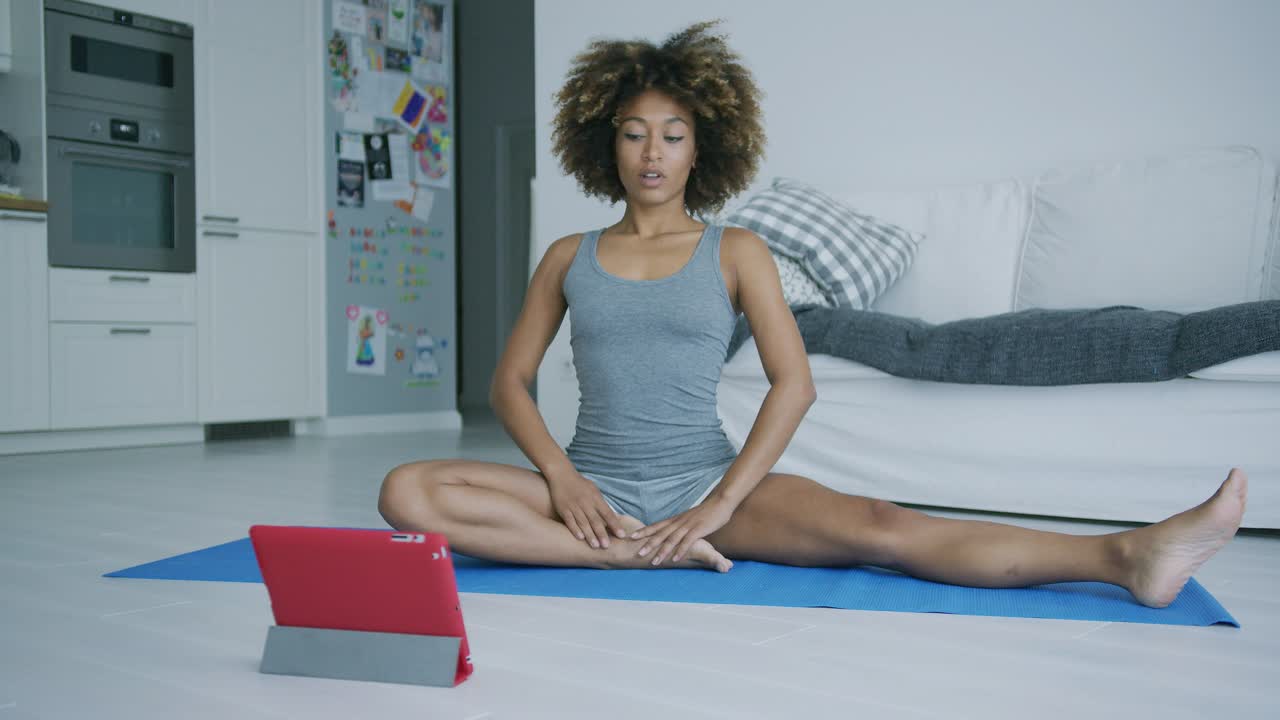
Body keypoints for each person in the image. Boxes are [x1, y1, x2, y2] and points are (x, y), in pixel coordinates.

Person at [378, 21, 1247, 609]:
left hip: (703, 482)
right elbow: (511, 382)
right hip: (591, 486)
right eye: (635, 132)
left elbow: (792, 386)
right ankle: (621, 552)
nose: (652, 153)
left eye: (673, 134)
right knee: (405, 491)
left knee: (882, 527)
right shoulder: (569, 255)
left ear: (700, 148)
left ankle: (1124, 557)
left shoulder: (737, 250)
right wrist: (564, 482)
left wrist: (720, 503)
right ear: (607, 140)